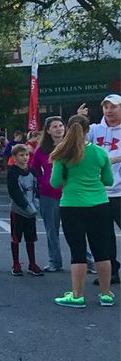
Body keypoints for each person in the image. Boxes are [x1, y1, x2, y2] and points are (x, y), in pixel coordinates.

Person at [49, 115, 114, 308]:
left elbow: (55, 182)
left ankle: (77, 296)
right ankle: (106, 294)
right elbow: (109, 180)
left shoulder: (63, 152)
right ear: (88, 130)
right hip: (99, 204)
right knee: (102, 251)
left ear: (68, 128)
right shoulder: (100, 153)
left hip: (72, 205)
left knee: (77, 252)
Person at [82, 94, 121, 285]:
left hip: (120, 192)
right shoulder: (94, 129)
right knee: (104, 236)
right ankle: (111, 272)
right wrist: (80, 120)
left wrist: (114, 159)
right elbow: (77, 143)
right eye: (106, 107)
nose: (109, 110)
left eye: (113, 107)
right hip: (98, 193)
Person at [31, 116, 68, 272]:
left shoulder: (72, 146)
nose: (59, 129)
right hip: (49, 194)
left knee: (75, 229)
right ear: (48, 131)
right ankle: (55, 261)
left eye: (61, 125)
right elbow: (34, 169)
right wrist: (42, 183)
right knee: (52, 231)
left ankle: (87, 260)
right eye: (54, 126)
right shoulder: (42, 150)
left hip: (71, 193)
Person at [7, 144, 43, 276]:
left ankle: (32, 264)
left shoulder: (32, 171)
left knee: (31, 238)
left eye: (27, 155)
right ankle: (16, 263)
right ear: (14, 157)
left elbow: (37, 187)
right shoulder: (13, 172)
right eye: (21, 155)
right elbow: (14, 191)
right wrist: (25, 206)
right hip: (18, 210)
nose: (25, 158)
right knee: (16, 237)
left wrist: (36, 202)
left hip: (31, 210)